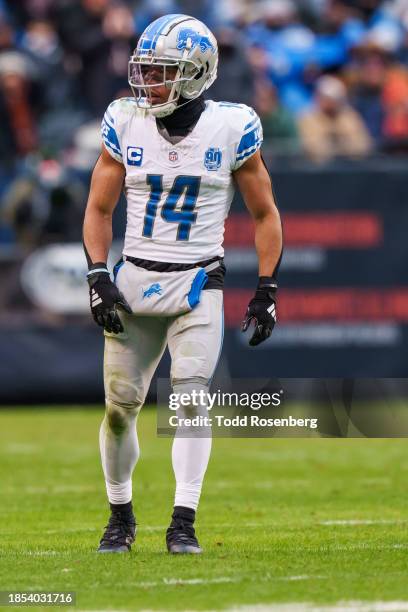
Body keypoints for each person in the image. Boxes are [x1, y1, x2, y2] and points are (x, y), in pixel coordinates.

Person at [83, 13, 283, 555]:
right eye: (145, 71)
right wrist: (98, 274)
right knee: (120, 407)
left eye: (162, 72)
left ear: (196, 74)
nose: (147, 83)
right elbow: (99, 206)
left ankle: (183, 523)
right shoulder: (125, 120)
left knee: (191, 400)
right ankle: (120, 517)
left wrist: (266, 288)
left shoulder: (231, 126)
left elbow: (264, 213)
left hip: (199, 280)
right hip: (136, 277)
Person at [298, 74, 372, 162]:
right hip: (317, 171)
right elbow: (312, 148)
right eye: (325, 97)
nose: (329, 102)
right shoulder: (308, 118)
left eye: (332, 98)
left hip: (349, 167)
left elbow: (363, 145)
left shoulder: (349, 116)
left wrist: (339, 142)